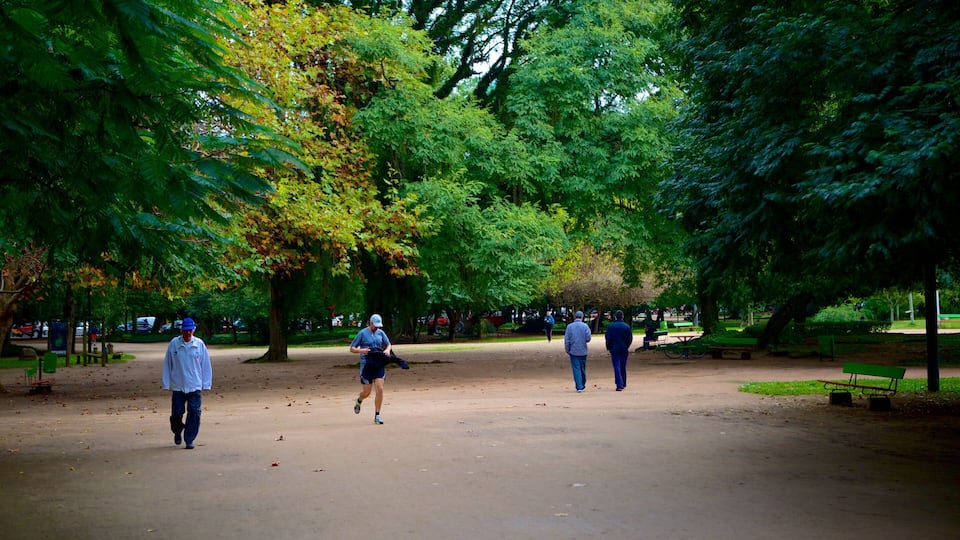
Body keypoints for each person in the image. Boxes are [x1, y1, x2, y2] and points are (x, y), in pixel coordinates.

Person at [161, 317, 212, 449]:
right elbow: (167, 364)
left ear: (193, 330)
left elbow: (205, 365)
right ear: (181, 330)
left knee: (194, 412)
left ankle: (189, 439)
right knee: (176, 414)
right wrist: (166, 383)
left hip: (194, 385)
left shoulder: (199, 344)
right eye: (185, 330)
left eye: (190, 330)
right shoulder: (174, 344)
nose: (188, 333)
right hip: (178, 385)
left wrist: (206, 383)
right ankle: (177, 431)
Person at [349, 314, 404, 425]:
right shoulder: (362, 333)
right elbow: (352, 348)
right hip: (367, 365)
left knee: (380, 389)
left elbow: (388, 344)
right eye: (375, 325)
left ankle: (377, 415)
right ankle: (359, 400)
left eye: (379, 326)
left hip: (378, 363)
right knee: (366, 392)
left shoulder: (381, 333)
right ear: (371, 323)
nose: (377, 328)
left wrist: (387, 350)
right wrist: (361, 350)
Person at [604, 310, 633, 391]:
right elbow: (629, 338)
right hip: (624, 348)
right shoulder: (626, 326)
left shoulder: (611, 326)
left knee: (617, 366)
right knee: (623, 366)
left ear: (615, 317)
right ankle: (623, 382)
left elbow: (608, 338)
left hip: (614, 348)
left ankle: (619, 384)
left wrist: (608, 347)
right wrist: (627, 346)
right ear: (622, 316)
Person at [563, 310, 592, 392]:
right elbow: (588, 338)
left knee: (576, 369)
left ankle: (579, 386)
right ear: (582, 317)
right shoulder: (585, 326)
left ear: (575, 317)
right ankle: (582, 383)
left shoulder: (569, 327)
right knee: (582, 368)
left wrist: (567, 349)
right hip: (583, 350)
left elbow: (567, 340)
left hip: (573, 350)